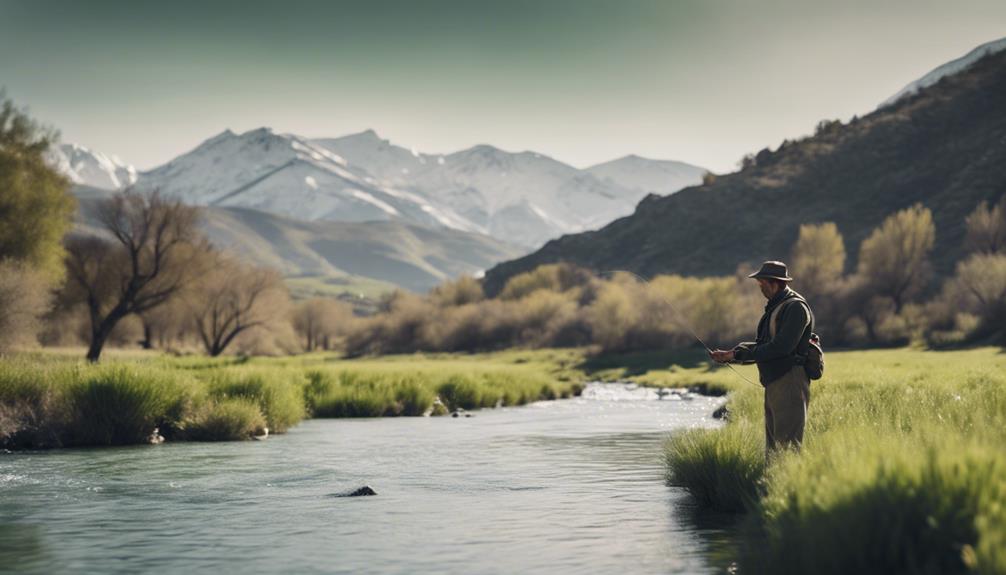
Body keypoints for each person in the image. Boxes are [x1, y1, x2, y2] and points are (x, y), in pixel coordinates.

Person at [709, 261, 815, 455]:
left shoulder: (796, 308)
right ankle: (773, 485)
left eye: (762, 284)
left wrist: (735, 354)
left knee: (787, 449)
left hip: (790, 382)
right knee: (773, 450)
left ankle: (790, 485)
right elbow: (763, 346)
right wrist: (732, 355)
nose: (760, 288)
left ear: (776, 283)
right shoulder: (777, 307)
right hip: (775, 382)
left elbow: (781, 347)